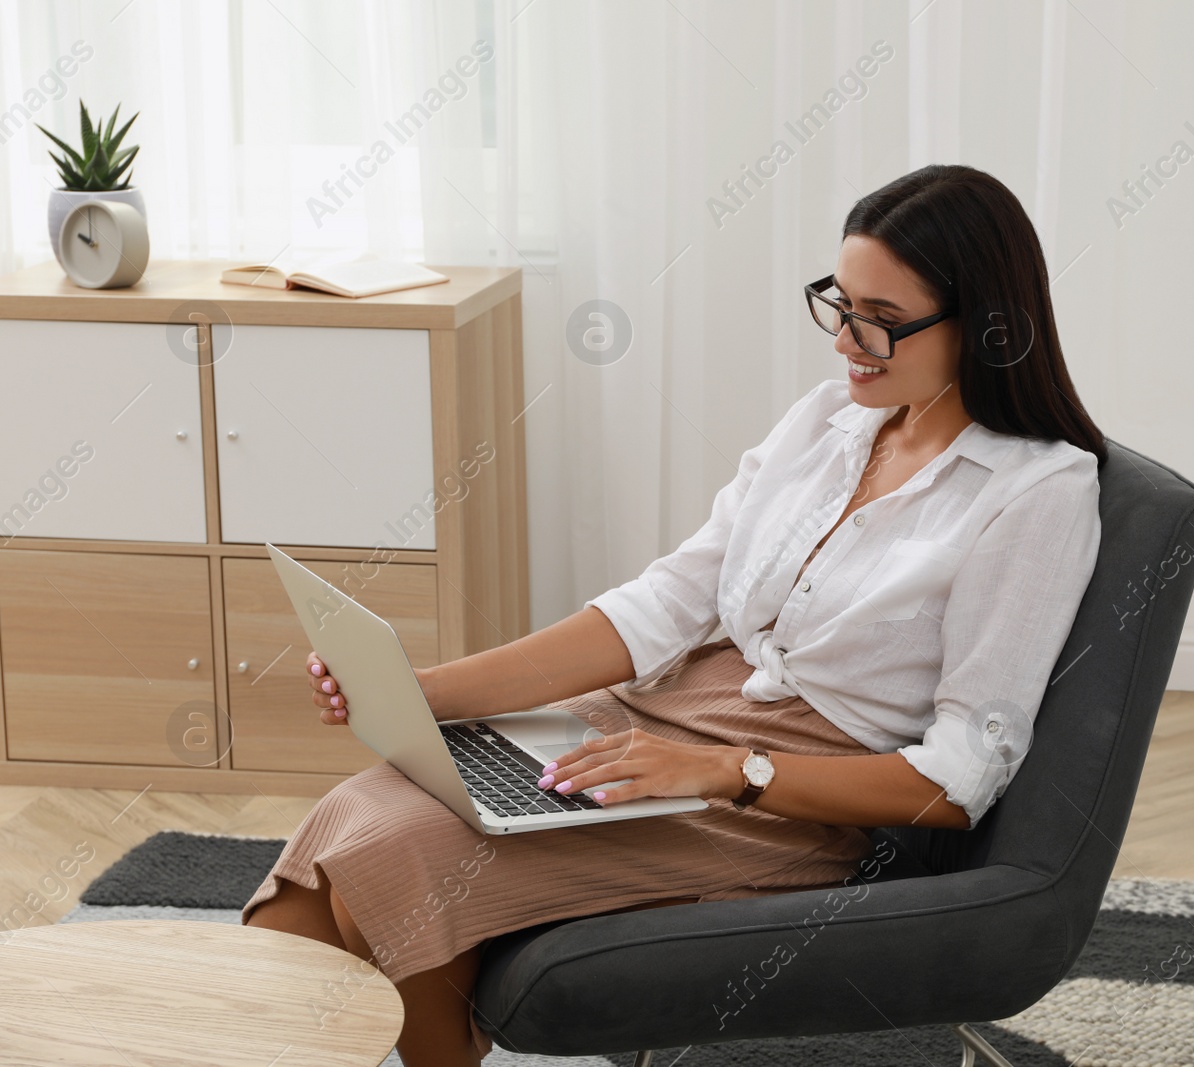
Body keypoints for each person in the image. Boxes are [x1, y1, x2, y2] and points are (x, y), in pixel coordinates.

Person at [241, 162, 1105, 1066]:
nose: (849, 340)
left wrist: (726, 770)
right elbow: (662, 606)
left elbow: (962, 774)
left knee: (391, 855)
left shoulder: (1036, 492)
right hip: (657, 723)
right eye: (839, 303)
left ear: (989, 325)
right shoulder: (828, 421)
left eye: (883, 320)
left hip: (783, 798)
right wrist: (423, 693)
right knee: (345, 836)